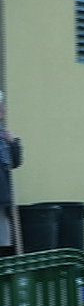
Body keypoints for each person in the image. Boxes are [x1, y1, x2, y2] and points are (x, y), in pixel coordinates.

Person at [0, 90, 22, 257]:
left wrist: (13, 143)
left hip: (3, 197)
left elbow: (15, 162)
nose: (4, 110)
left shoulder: (3, 133)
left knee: (3, 239)